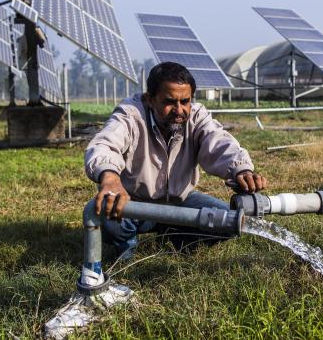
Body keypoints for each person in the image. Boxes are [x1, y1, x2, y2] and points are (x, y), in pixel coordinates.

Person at [84, 62, 267, 260]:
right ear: (150, 100)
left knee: (229, 221)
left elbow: (219, 142)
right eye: (169, 102)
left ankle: (174, 237)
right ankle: (126, 242)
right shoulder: (131, 114)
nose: (179, 110)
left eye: (185, 101)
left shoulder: (197, 117)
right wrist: (110, 179)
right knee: (104, 213)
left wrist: (241, 170)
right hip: (135, 203)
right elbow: (105, 144)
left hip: (180, 202)